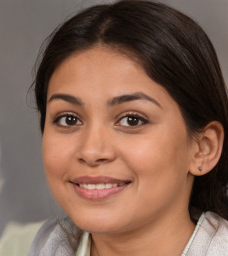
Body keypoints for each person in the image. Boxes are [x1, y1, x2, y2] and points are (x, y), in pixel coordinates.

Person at [28, 0, 228, 255]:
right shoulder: (45, 245)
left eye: (132, 120)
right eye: (69, 119)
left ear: (203, 148)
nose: (91, 151)